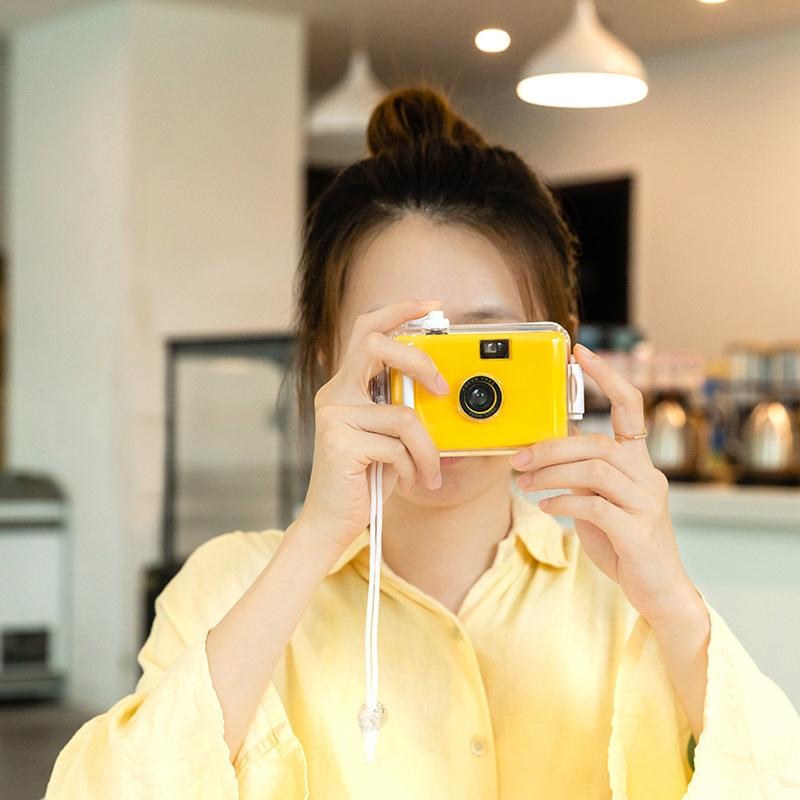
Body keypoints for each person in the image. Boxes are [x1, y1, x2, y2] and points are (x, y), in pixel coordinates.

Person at [45, 86, 800, 800]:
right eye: (408, 346)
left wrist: (674, 605)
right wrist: (314, 540)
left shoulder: (625, 600)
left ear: (559, 357)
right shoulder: (228, 587)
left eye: (486, 349)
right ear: (328, 361)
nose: (446, 391)